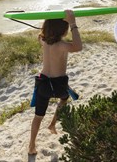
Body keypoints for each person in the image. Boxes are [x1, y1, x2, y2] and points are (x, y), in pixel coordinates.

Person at [28, 9, 82, 155]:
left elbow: (42, 33)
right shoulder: (62, 45)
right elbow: (78, 46)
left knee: (38, 116)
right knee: (64, 98)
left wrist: (47, 22)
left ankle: (31, 146)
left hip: (43, 83)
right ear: (63, 30)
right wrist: (73, 23)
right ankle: (52, 124)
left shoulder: (43, 40)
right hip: (58, 85)